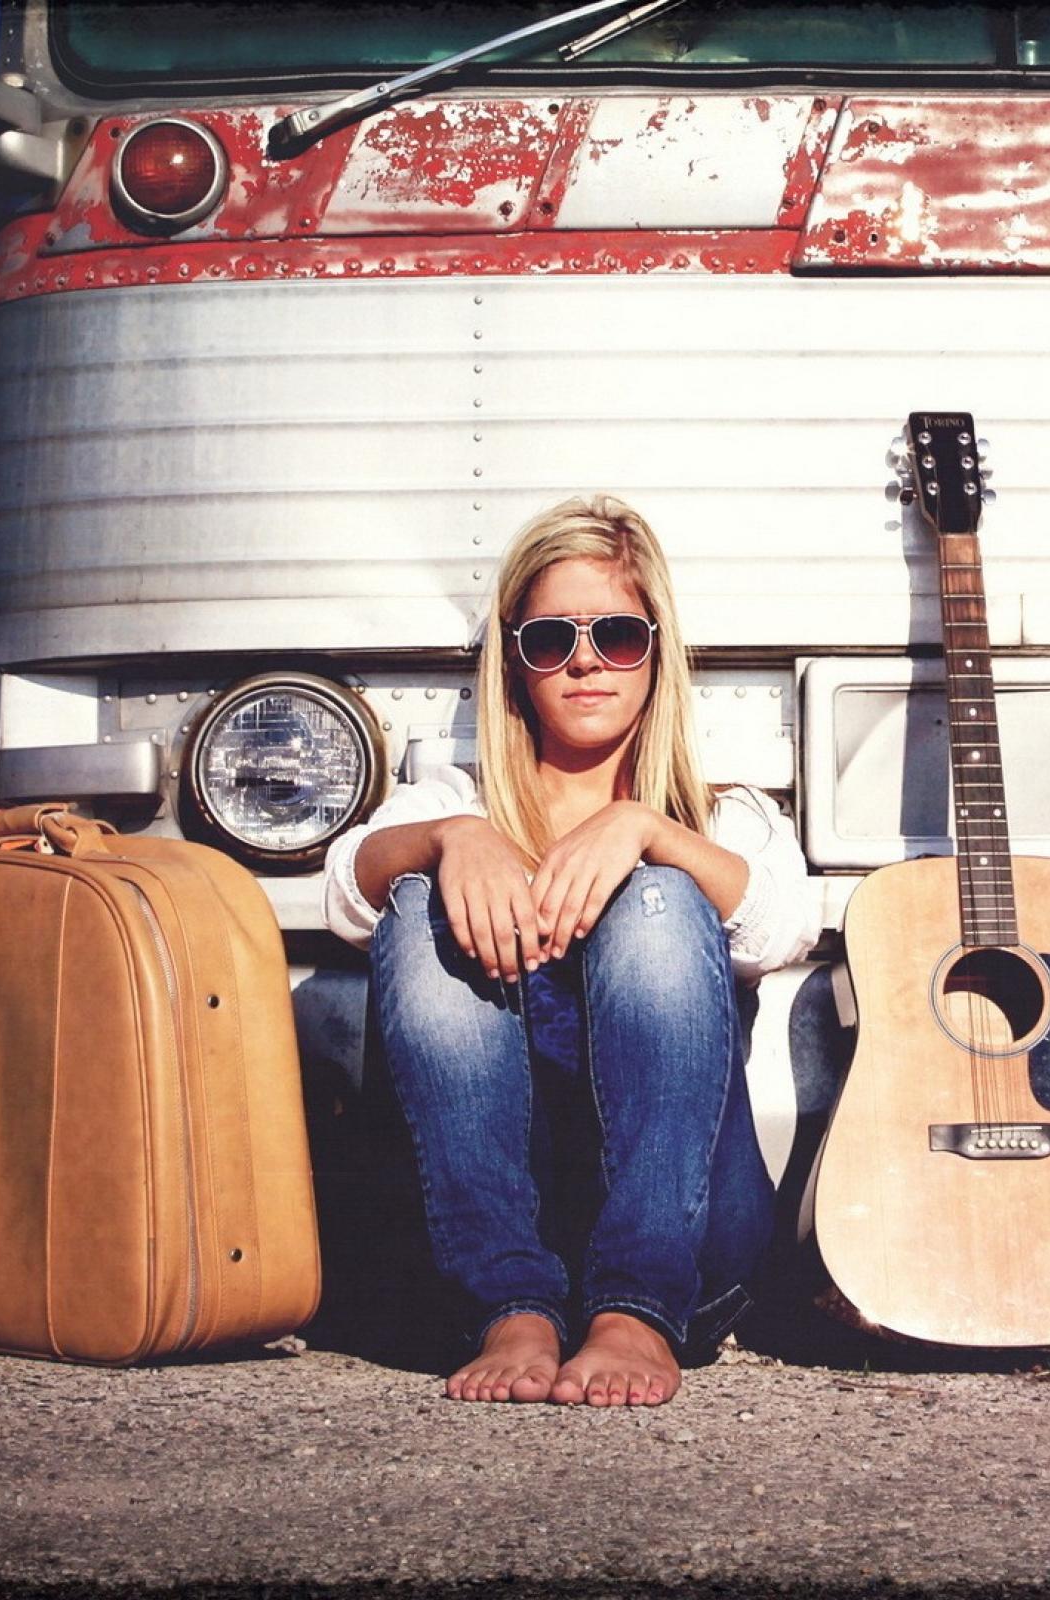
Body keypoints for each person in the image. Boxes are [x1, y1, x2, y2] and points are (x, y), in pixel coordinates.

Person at [322, 494, 816, 1406]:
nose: (585, 661)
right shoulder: (459, 802)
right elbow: (348, 891)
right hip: (497, 1249)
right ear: (516, 663)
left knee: (663, 897)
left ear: (657, 651)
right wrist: (454, 840)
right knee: (419, 898)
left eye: (617, 635)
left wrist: (647, 832)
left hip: (690, 1248)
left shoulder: (721, 817)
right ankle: (511, 1305)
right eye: (551, 639)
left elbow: (787, 926)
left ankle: (635, 1313)